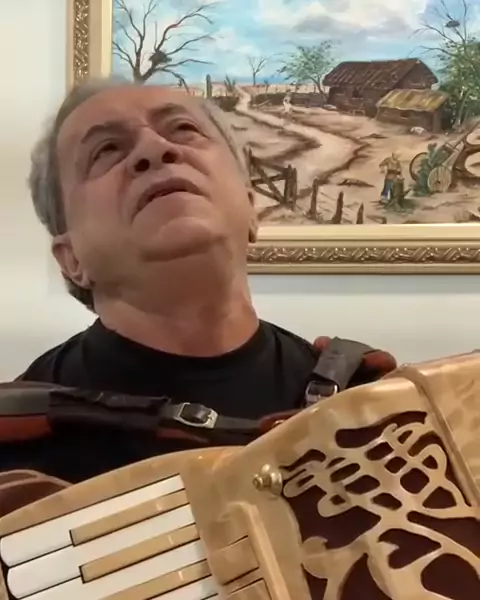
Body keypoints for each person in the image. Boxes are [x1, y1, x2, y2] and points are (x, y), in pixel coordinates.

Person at [1, 77, 396, 485]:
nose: (155, 149)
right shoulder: (14, 445)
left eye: (183, 129)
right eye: (107, 149)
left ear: (250, 209)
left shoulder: (370, 407)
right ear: (71, 259)